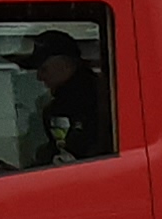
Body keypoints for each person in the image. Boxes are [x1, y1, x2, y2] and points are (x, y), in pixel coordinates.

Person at [20, 30, 112, 170]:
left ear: (65, 65)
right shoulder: (60, 104)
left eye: (44, 69)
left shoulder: (96, 100)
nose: (39, 77)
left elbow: (82, 155)